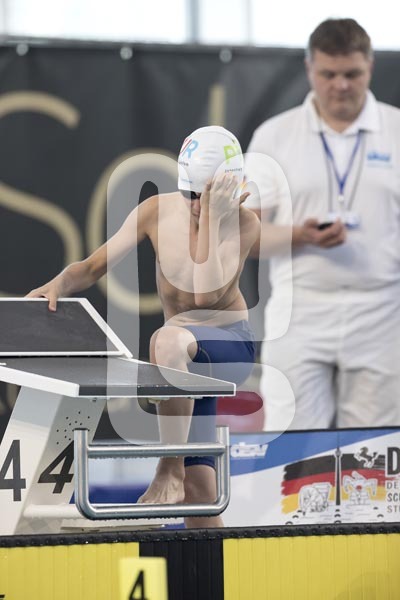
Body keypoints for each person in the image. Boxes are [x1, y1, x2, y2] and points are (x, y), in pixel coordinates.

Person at [28, 125, 259, 528]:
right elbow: (94, 266)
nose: (196, 205)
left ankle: (168, 468)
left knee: (165, 341)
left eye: (205, 196)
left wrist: (214, 217)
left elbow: (204, 294)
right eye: (190, 194)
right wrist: (60, 283)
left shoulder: (243, 223)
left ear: (229, 188)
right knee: (201, 492)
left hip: (227, 348)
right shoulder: (156, 211)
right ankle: (215, 565)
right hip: (184, 366)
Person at [244, 18, 400, 431]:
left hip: (383, 311)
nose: (341, 85)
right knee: (291, 441)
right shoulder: (275, 135)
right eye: (329, 74)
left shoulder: (396, 131)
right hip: (300, 310)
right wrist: (300, 235)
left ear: (370, 67)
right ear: (309, 69)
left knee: (373, 445)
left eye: (352, 74)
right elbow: (245, 237)